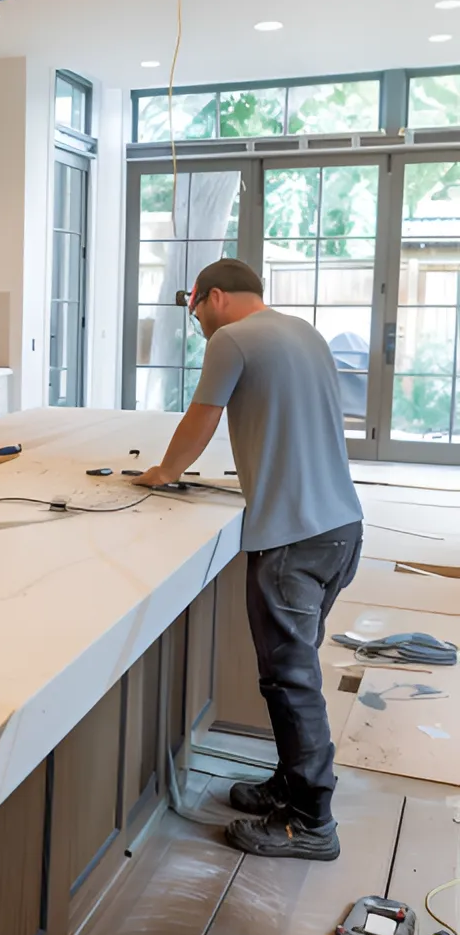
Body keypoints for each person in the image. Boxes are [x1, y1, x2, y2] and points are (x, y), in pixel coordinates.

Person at [133, 258, 363, 862]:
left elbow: (200, 421)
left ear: (214, 298)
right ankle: (290, 787)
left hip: (291, 539)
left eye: (197, 312)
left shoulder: (232, 339)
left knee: (290, 682)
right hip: (341, 528)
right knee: (294, 670)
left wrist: (163, 474)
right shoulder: (304, 331)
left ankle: (312, 821)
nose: (200, 326)